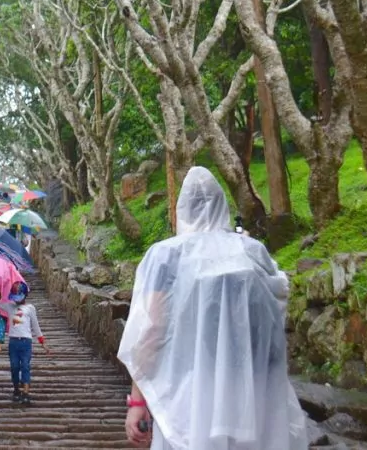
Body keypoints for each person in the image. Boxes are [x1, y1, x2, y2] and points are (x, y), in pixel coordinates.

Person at [116, 167, 307, 450]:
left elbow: (151, 331)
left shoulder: (166, 256)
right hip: (252, 393)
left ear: (182, 209)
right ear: (223, 205)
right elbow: (275, 316)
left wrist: (137, 401)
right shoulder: (252, 251)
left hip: (191, 393)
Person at [0, 281, 50, 405]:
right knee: (14, 367)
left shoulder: (30, 308)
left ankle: (26, 393)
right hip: (13, 342)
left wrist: (42, 341)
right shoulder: (9, 306)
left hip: (26, 342)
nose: (17, 300)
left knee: (25, 366)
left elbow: (35, 326)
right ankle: (16, 389)